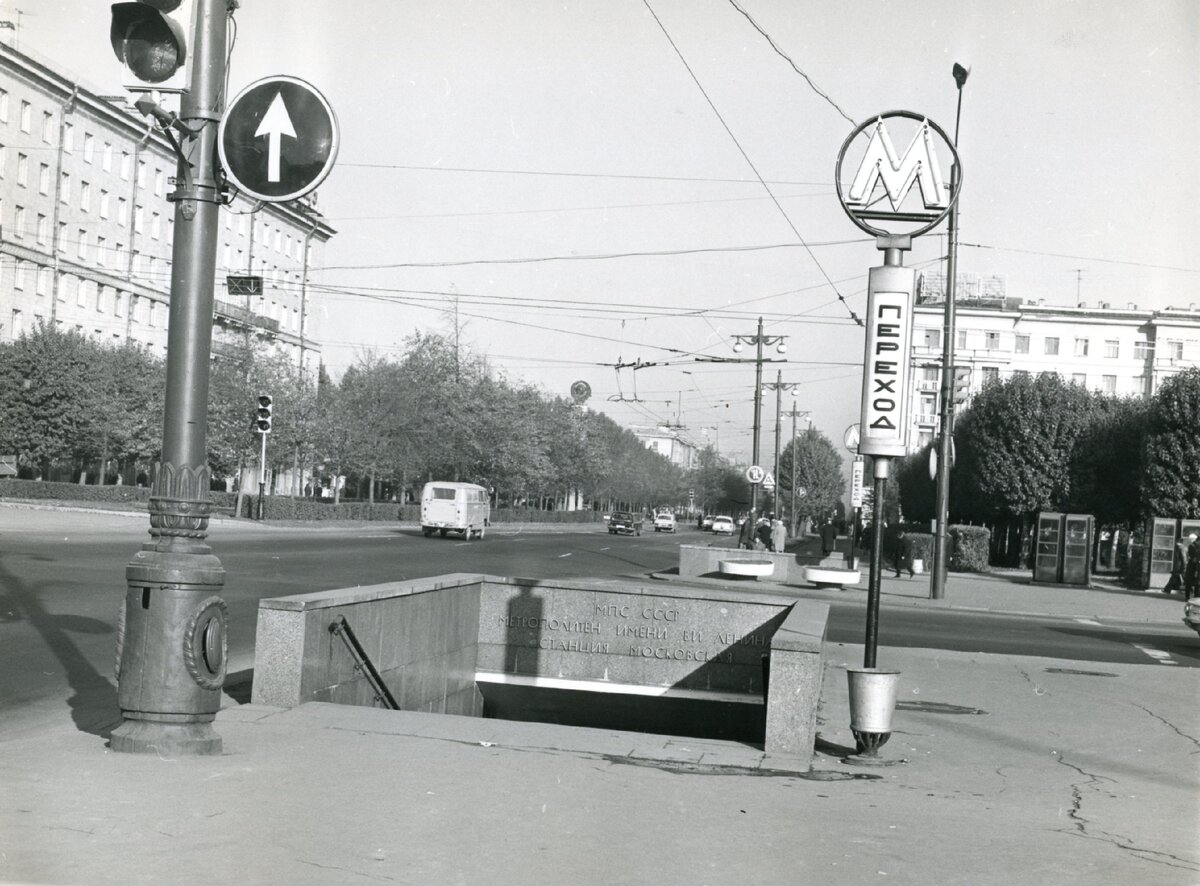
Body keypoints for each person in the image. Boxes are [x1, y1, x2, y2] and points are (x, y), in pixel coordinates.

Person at [1185, 534, 1200, 601]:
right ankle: (1188, 596)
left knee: (1196, 582)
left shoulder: (1194, 546)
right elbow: (1193, 558)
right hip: (1193, 566)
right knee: (1191, 582)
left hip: (1195, 566)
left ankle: (1194, 597)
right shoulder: (1192, 546)